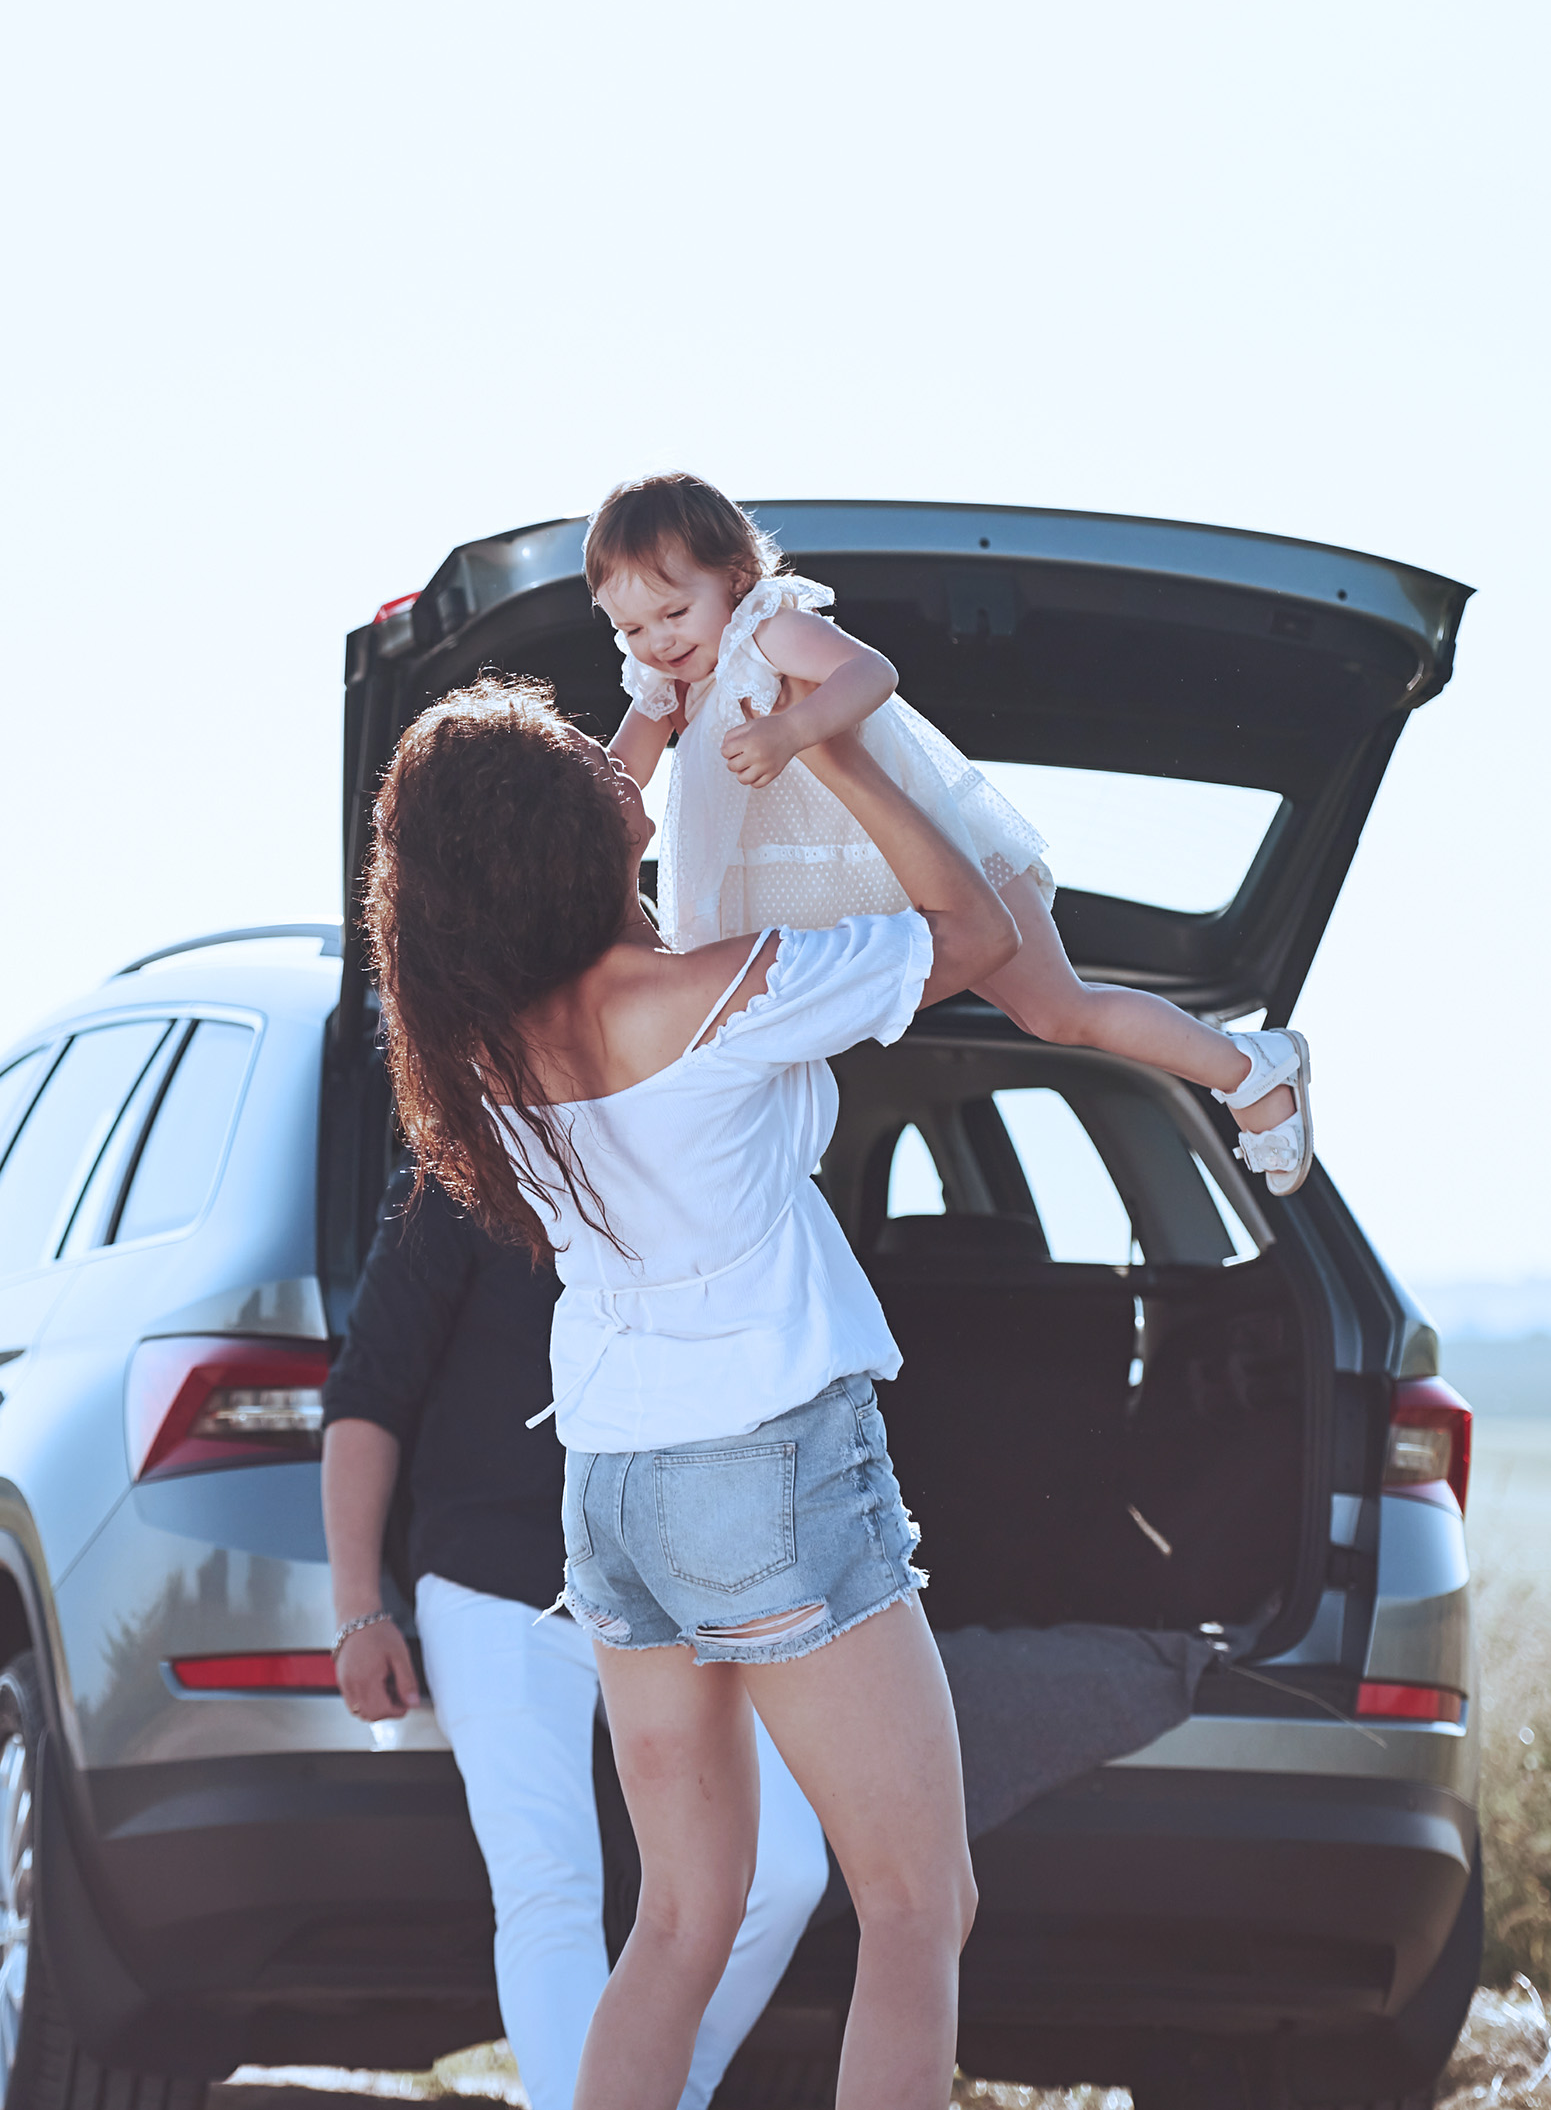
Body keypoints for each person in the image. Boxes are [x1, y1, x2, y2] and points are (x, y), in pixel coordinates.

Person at [360, 674, 1024, 2110]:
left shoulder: (478, 1048)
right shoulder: (719, 991)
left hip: (610, 1489)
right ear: (576, 848)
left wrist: (644, 725)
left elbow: (572, 833)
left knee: (677, 1917)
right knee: (920, 1902)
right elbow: (977, 930)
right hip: (769, 1464)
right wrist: (831, 743)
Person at [588, 470, 1314, 1197]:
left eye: (673, 612)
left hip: (928, 862)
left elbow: (870, 672)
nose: (655, 640)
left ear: (736, 579)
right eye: (630, 628)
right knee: (774, 1034)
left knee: (1057, 1010)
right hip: (814, 899)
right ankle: (752, 1187)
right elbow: (617, 778)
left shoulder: (767, 629)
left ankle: (1250, 1068)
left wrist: (793, 729)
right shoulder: (666, 682)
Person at [320, 1169, 829, 2110]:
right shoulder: (451, 1189)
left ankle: (646, 2093)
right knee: (548, 1883)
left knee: (785, 1869)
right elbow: (368, 1401)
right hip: (494, 1582)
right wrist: (361, 1608)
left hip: (686, 1590)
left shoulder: (690, 1161)